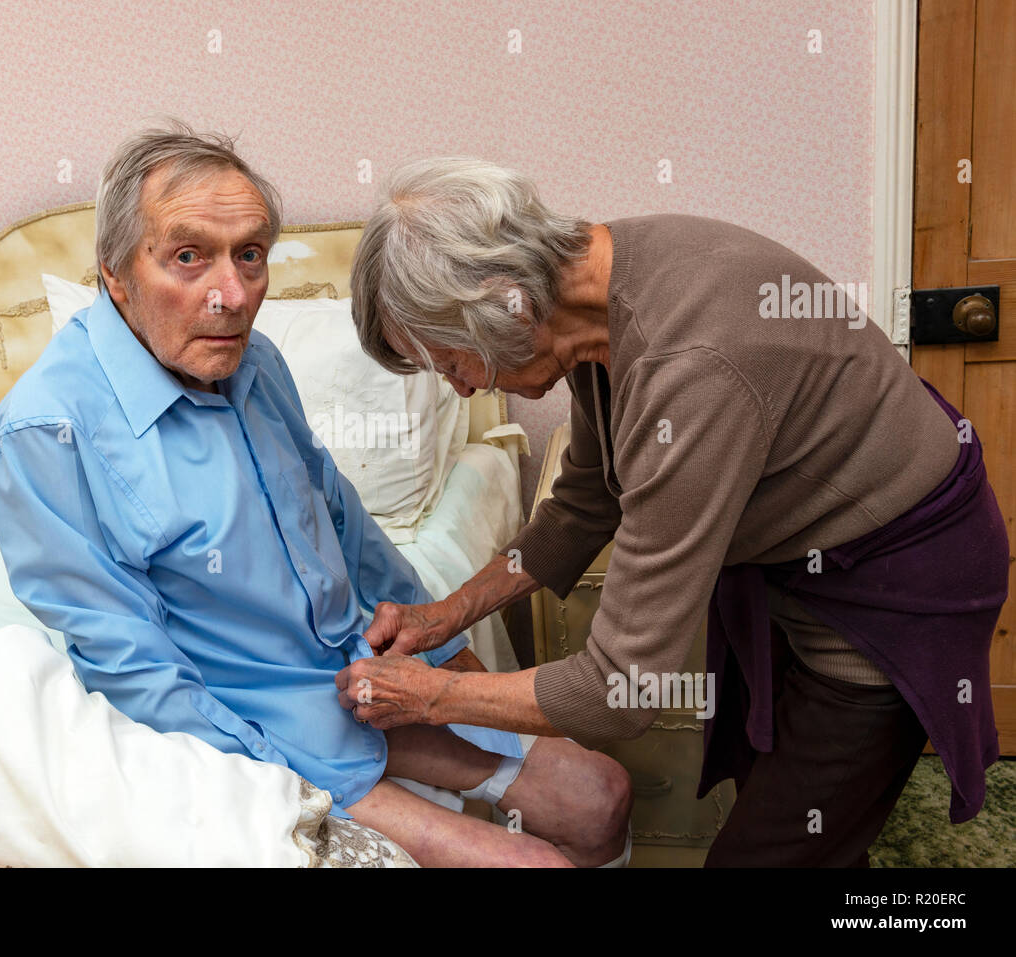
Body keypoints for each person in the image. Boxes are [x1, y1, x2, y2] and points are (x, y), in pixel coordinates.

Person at [0, 123, 633, 867]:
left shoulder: (253, 362)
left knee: (602, 793)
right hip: (257, 731)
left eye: (249, 255)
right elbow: (136, 676)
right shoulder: (46, 432)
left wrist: (446, 653)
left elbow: (345, 526)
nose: (232, 296)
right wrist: (287, 786)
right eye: (188, 256)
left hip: (354, 679)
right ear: (115, 272)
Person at [340, 156, 1008, 867]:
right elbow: (586, 501)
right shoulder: (594, 296)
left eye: (451, 362)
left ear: (508, 307)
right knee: (805, 821)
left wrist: (433, 695)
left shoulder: (692, 366)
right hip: (803, 558)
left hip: (894, 582)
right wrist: (445, 615)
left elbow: (617, 691)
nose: (463, 390)